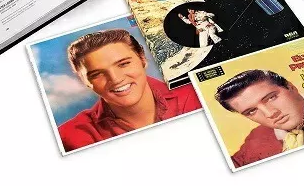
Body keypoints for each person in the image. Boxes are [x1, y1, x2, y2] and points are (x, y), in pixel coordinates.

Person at [58, 29, 200, 152]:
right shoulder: (70, 137)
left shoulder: (197, 94)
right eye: (97, 74)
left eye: (123, 64)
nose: (115, 79)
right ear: (84, 81)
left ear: (143, 59)